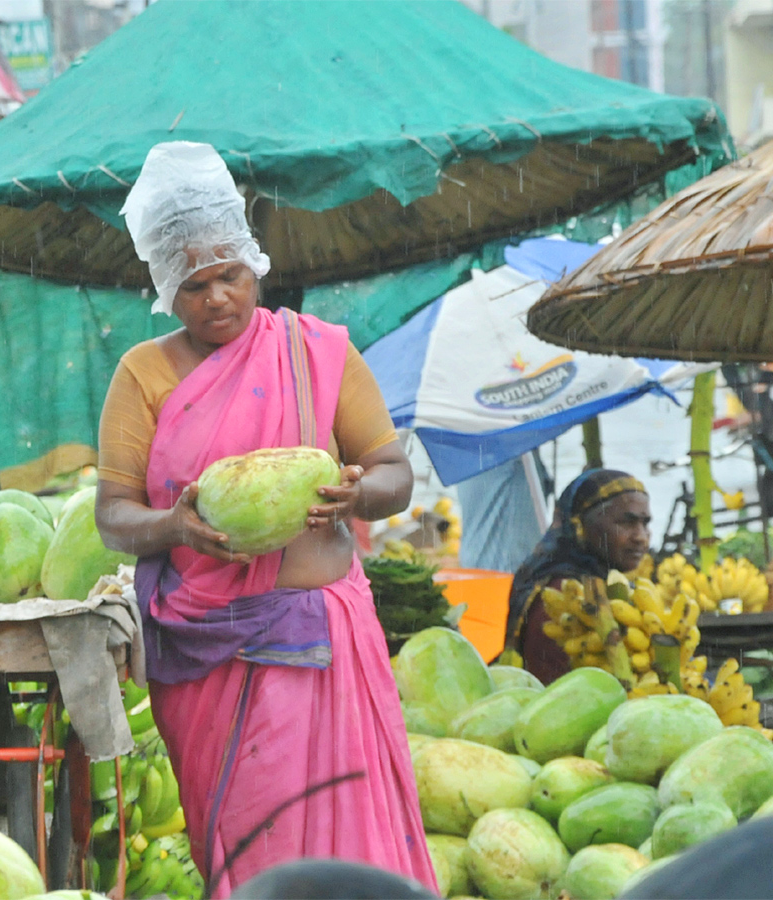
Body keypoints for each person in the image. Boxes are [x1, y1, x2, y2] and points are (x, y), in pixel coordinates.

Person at [94, 142, 436, 897]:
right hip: (207, 650)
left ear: (256, 266)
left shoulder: (315, 351)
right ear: (164, 289)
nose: (217, 298)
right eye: (193, 285)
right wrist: (175, 529)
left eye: (231, 276)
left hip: (320, 638)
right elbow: (113, 517)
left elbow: (393, 472)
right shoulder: (142, 376)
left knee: (348, 851)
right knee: (249, 846)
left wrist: (357, 495)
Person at [504, 468, 652, 684]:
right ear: (580, 525)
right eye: (626, 522)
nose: (641, 537)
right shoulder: (562, 593)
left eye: (645, 523)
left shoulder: (603, 580)